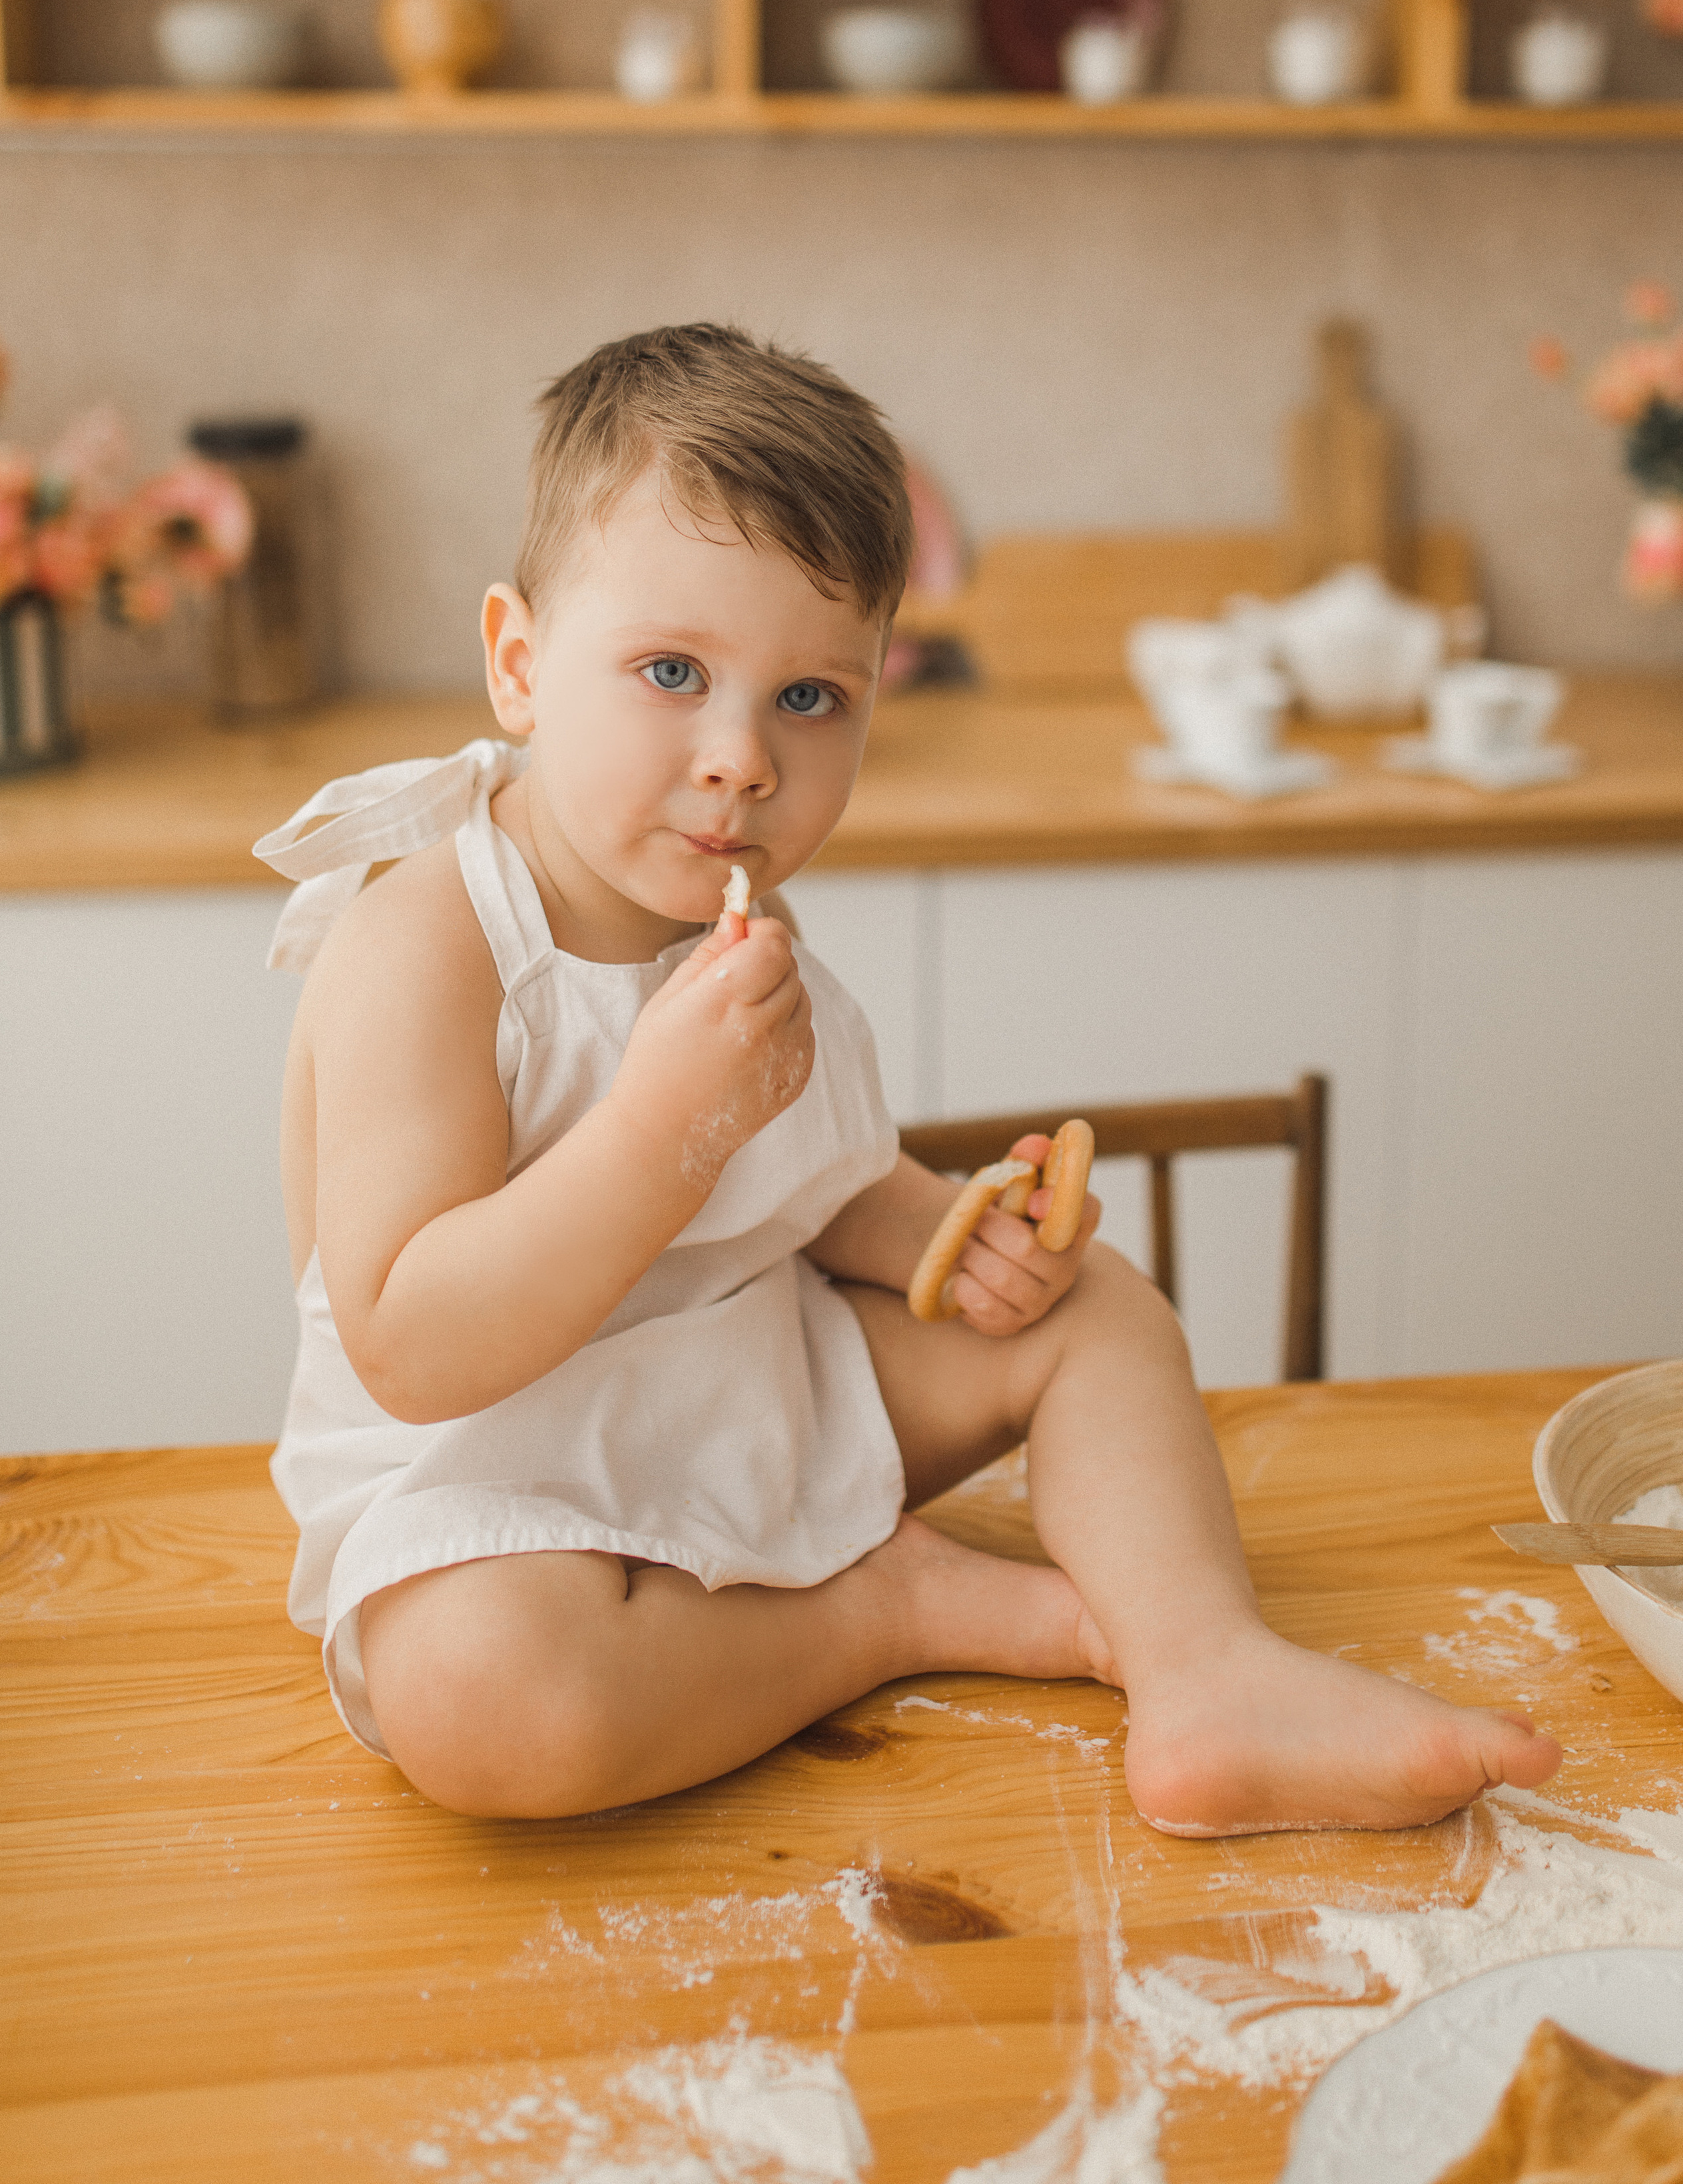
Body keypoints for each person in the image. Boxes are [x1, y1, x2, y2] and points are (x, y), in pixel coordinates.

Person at [261, 322, 1561, 1828]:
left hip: (730, 1378)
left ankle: (1210, 1674)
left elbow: (801, 1185)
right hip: (493, 1477)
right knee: (488, 1703)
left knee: (1100, 1311)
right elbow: (412, 1346)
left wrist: (938, 1232)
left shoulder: (734, 910)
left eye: (809, 697)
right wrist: (658, 1128)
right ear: (518, 664)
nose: (741, 758)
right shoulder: (428, 942)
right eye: (671, 671)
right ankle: (884, 1611)